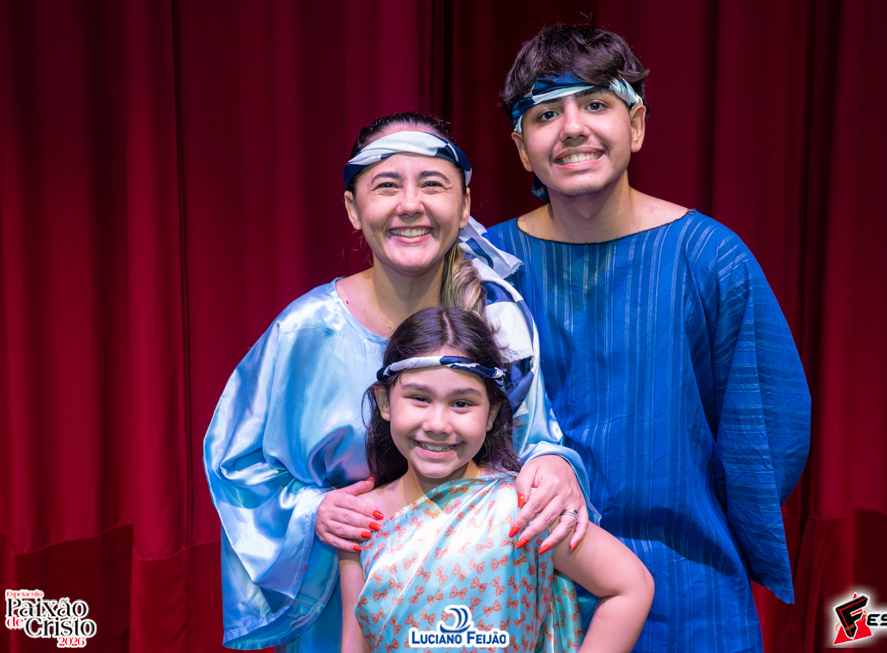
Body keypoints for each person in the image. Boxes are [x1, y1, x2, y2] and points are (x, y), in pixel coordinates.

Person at [476, 24, 811, 651]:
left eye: (595, 104)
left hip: (690, 591)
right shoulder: (488, 268)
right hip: (522, 588)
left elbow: (768, 434)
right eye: (546, 114)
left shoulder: (708, 257)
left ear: (636, 125)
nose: (573, 128)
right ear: (522, 148)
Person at [204, 113, 594, 651]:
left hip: (477, 609)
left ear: (464, 204)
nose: (410, 205)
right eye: (387, 185)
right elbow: (235, 465)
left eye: (432, 184)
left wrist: (554, 464)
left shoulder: (498, 319)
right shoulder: (304, 333)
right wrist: (312, 511)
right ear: (353, 208)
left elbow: (532, 441)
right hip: (348, 607)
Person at [339, 306, 654, 653]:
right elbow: (356, 643)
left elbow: (631, 585)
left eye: (461, 403)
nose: (438, 424)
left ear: (491, 414)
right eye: (420, 399)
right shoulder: (360, 520)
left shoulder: (523, 508)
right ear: (385, 402)